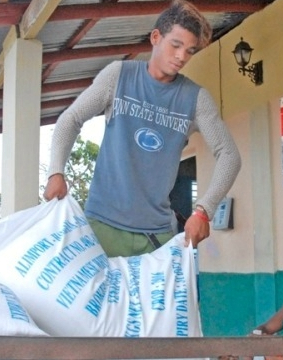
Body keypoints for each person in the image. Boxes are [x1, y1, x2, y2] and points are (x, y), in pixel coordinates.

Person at [42, 0, 241, 257]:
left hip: (155, 235)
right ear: (156, 37)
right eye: (176, 45)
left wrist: (204, 210)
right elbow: (71, 119)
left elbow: (230, 155)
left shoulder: (195, 98)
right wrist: (55, 172)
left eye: (190, 51)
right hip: (101, 226)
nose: (182, 57)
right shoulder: (119, 76)